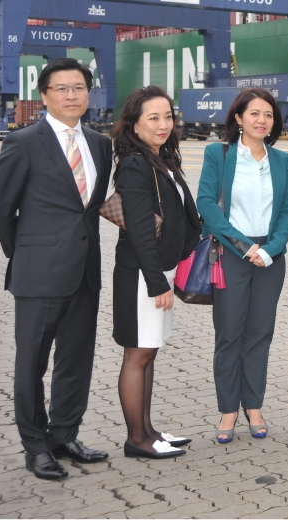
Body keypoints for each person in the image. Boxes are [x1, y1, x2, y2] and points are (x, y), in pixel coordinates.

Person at [0, 58, 113, 480]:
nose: (71, 95)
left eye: (79, 87)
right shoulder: (24, 142)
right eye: (61, 88)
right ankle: (35, 446)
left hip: (85, 273)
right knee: (32, 363)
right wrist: (24, 253)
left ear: (88, 93)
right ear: (44, 96)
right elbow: (0, 210)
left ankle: (64, 434)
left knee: (76, 360)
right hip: (39, 273)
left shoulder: (100, 143)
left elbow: (89, 209)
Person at [198, 88, 288, 442]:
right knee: (229, 336)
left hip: (270, 260)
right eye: (254, 113)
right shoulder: (218, 154)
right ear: (238, 118)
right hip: (231, 257)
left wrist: (271, 248)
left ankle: (253, 405)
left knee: (259, 336)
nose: (262, 121)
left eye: (268, 115)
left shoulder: (282, 160)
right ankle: (228, 411)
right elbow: (207, 204)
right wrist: (244, 247)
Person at [111, 85, 200, 459]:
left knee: (149, 352)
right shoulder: (134, 165)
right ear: (134, 125)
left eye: (168, 116)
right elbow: (141, 230)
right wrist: (156, 281)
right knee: (138, 354)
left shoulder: (158, 158)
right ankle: (137, 439)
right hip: (140, 275)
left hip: (154, 272)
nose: (163, 124)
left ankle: (148, 429)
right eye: (153, 118)